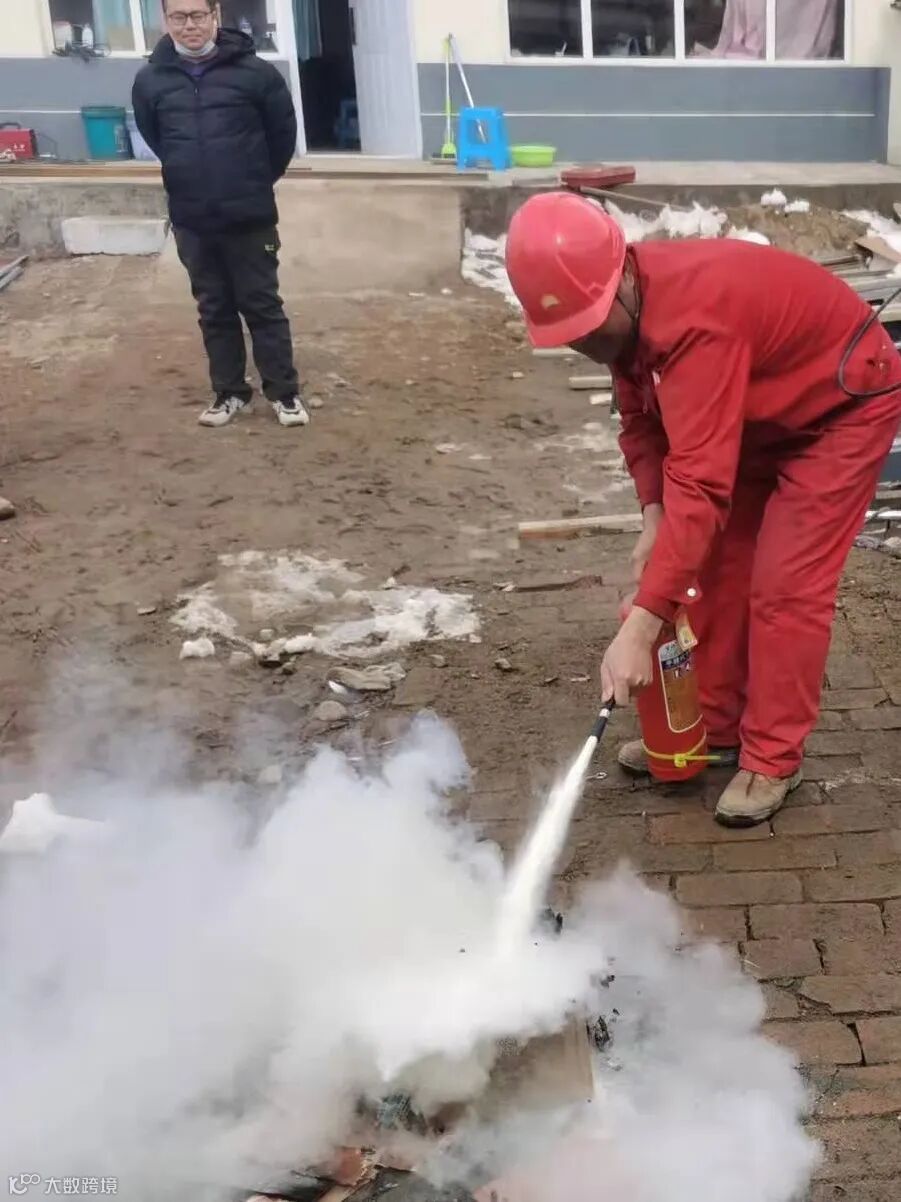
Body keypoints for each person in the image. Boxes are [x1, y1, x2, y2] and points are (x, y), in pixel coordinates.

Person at [505, 191, 901, 827]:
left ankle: (773, 757)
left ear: (621, 279)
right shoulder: (622, 317)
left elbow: (702, 483)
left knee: (784, 584)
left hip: (841, 404)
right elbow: (641, 423)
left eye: (591, 330)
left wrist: (640, 630)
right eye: (571, 338)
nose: (586, 345)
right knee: (713, 566)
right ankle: (711, 726)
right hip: (761, 409)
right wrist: (653, 516)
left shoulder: (696, 322)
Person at [132, 0, 308, 429]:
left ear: (215, 16)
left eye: (197, 15)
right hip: (192, 218)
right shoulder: (151, 80)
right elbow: (157, 138)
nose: (188, 25)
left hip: (249, 215)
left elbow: (282, 138)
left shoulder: (256, 74)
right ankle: (229, 393)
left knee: (262, 304)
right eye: (178, 17)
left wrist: (250, 181)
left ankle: (284, 394)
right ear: (165, 21)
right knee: (214, 308)